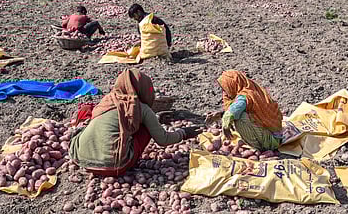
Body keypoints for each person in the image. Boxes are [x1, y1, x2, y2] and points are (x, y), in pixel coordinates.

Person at [69, 69, 202, 176]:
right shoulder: (140, 108)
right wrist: (183, 133)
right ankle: (122, 158)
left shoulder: (107, 100)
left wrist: (156, 119)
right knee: (146, 127)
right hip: (114, 166)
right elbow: (163, 140)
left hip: (81, 159)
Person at [205, 70, 283, 151]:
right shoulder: (250, 87)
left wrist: (225, 125)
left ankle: (258, 147)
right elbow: (237, 107)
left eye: (225, 88)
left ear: (232, 84)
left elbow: (233, 112)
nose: (224, 93)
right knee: (238, 113)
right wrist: (221, 114)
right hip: (275, 136)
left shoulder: (245, 96)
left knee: (239, 117)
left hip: (271, 141)